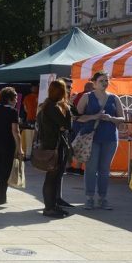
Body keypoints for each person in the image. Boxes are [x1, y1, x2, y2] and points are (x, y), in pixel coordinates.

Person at [75, 70, 124, 210]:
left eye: (106, 80)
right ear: (94, 83)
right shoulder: (87, 96)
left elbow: (122, 118)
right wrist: (93, 116)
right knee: (91, 168)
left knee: (104, 169)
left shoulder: (114, 98)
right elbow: (77, 116)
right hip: (91, 137)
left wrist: (110, 118)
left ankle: (103, 198)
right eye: (101, 80)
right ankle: (89, 198)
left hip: (110, 137)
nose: (104, 83)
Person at [36, 79, 72, 218]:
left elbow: (63, 126)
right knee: (52, 177)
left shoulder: (48, 105)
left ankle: (53, 206)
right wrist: (67, 108)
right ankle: (49, 208)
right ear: (62, 92)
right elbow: (67, 125)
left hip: (53, 145)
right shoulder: (52, 107)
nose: (68, 91)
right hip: (54, 146)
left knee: (55, 177)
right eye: (67, 89)